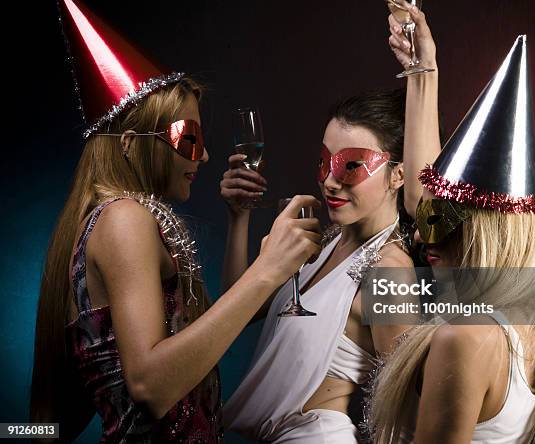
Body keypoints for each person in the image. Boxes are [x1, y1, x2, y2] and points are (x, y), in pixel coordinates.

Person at [30, 2, 321, 442]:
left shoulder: (104, 222)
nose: (203, 156)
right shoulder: (123, 219)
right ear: (130, 143)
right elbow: (150, 387)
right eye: (189, 139)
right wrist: (268, 269)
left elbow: (49, 426)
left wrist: (239, 220)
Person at [368, 8, 535, 444]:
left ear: (486, 234)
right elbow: (423, 203)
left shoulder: (464, 338)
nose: (420, 234)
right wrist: (420, 71)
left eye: (442, 224)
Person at [220, 88, 415, 443]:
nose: (329, 180)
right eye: (326, 161)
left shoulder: (389, 271)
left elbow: (403, 410)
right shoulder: (325, 240)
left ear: (398, 175)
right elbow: (236, 311)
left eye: (351, 166)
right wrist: (239, 217)